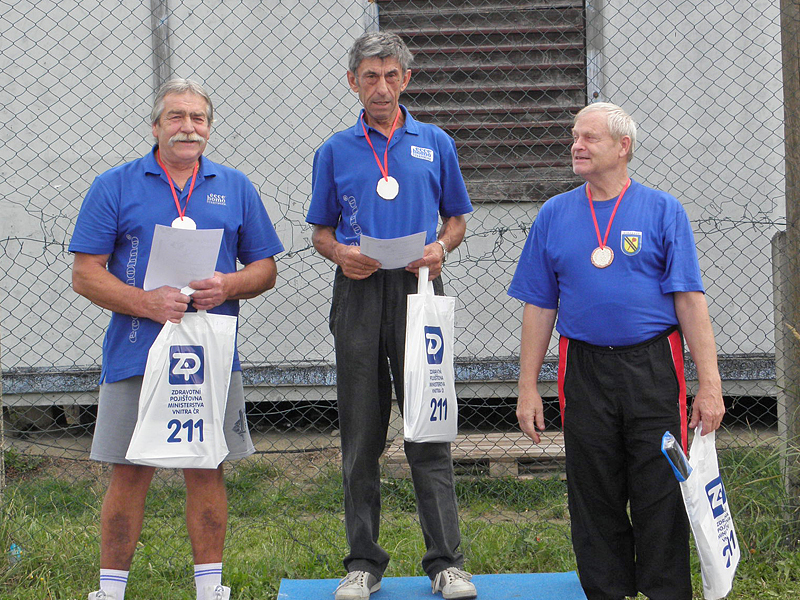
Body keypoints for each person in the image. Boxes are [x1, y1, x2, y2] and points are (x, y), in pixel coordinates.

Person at [69, 78, 284, 600]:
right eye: (176, 117)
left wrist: (228, 285)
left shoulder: (235, 186)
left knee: (206, 467)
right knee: (129, 470)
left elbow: (265, 269)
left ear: (208, 128)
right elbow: (85, 273)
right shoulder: (114, 185)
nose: (188, 127)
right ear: (155, 127)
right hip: (135, 351)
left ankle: (210, 589)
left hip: (210, 354)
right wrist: (144, 302)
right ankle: (110, 591)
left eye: (198, 118)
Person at [508, 102, 725, 600]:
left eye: (589, 138)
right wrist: (527, 388)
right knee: (593, 490)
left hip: (652, 365)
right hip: (583, 367)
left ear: (623, 147)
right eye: (574, 137)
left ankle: (665, 591)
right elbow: (539, 305)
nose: (576, 146)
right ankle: (607, 591)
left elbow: (690, 301)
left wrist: (710, 385)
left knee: (661, 488)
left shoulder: (663, 210)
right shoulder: (554, 214)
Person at [306, 31, 477, 600]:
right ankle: (363, 563)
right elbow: (320, 232)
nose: (381, 87)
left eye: (390, 76)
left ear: (406, 79)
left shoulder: (436, 142)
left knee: (427, 424)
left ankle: (446, 563)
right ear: (352, 82)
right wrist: (340, 253)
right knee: (360, 433)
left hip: (419, 288)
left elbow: (456, 219)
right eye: (369, 77)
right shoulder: (334, 150)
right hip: (358, 291)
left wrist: (441, 248)